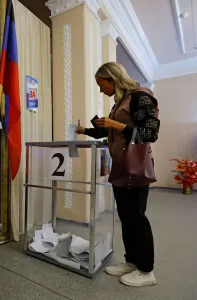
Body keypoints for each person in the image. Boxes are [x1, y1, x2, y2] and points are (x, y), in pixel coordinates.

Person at [76, 62, 160, 287]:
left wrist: (116, 124)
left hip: (136, 168)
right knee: (126, 217)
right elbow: (112, 130)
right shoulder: (122, 102)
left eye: (101, 84)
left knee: (137, 218)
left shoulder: (141, 96)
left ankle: (146, 271)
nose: (101, 90)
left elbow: (150, 133)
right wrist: (86, 131)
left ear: (111, 78)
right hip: (121, 167)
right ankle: (131, 261)